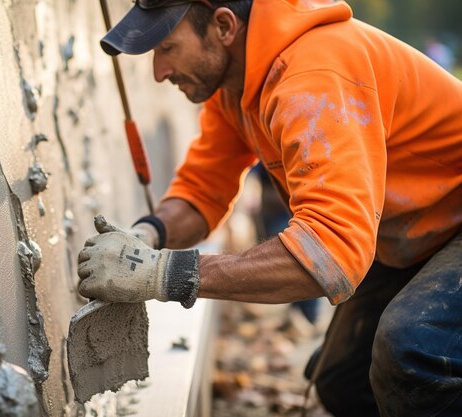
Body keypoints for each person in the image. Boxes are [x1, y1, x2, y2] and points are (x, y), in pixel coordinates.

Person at [77, 1, 462, 416]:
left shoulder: (314, 73)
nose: (159, 71)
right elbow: (202, 190)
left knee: (412, 352)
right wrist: (145, 236)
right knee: (341, 382)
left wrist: (162, 274)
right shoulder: (235, 87)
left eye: (167, 48)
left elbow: (328, 255)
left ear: (223, 26)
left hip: (451, 220)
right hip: (421, 231)